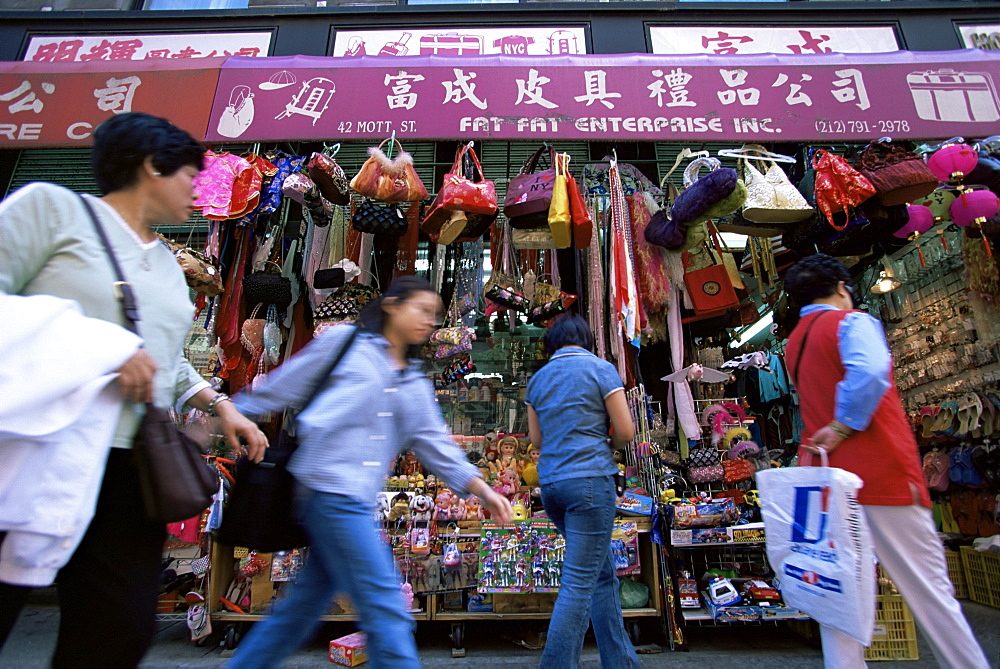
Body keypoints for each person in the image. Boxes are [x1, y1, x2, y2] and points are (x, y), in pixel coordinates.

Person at [0, 112, 268, 668]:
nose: (200, 190)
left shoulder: (170, 269)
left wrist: (222, 407)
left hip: (130, 465)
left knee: (117, 628)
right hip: (32, 449)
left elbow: (164, 365)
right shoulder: (50, 211)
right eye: (192, 176)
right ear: (151, 165)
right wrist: (99, 347)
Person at [228, 275, 513, 668]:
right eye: (422, 309)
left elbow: (436, 446)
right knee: (387, 610)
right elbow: (281, 387)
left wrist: (484, 490)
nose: (429, 321)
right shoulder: (343, 345)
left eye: (435, 315)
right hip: (328, 495)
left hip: (353, 504)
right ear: (392, 305)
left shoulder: (411, 381)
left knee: (297, 614)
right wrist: (223, 413)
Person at [784, 253, 988, 669]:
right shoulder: (852, 322)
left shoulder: (794, 343)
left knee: (840, 596)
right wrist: (844, 425)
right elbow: (871, 373)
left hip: (826, 483)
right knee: (929, 590)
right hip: (880, 473)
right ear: (842, 289)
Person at [525, 312, 640, 669]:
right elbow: (625, 430)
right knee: (577, 585)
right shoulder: (601, 369)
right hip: (590, 482)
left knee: (601, 573)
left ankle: (621, 662)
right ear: (587, 340)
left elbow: (536, 439)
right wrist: (609, 445)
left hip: (553, 486)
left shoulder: (538, 379)